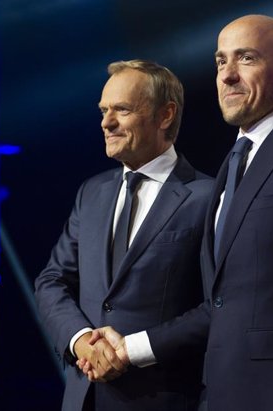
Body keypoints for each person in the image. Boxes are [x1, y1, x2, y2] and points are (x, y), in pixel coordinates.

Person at [83, 15, 273, 410]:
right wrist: (130, 348)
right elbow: (222, 305)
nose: (227, 76)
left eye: (247, 58)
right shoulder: (230, 168)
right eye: (221, 61)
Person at [34, 59, 214, 411]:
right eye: (103, 110)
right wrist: (82, 340)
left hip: (164, 399)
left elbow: (217, 306)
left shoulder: (208, 197)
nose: (106, 122)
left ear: (165, 116)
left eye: (122, 110)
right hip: (84, 397)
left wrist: (131, 350)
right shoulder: (92, 192)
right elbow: (52, 280)